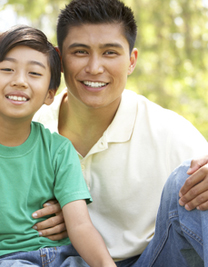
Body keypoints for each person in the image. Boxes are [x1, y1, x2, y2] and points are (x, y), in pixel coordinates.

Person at [32, 0, 208, 266]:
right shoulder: (30, 127)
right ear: (59, 59)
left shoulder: (167, 130)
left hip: (154, 258)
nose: (94, 67)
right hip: (64, 261)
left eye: (110, 53)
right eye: (80, 52)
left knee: (196, 181)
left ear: (131, 60)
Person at [0, 25, 116, 267]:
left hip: (64, 257)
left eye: (34, 74)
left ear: (50, 94)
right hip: (7, 260)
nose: (19, 81)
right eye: (7, 70)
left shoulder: (59, 149)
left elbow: (80, 226)